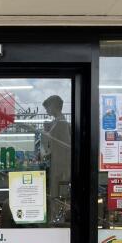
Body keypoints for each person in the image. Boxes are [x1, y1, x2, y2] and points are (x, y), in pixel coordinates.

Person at [41, 95, 71, 224]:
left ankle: (57, 219)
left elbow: (66, 146)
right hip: (57, 165)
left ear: (54, 106)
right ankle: (56, 218)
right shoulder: (56, 122)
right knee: (56, 194)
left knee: (57, 195)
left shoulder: (61, 123)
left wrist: (46, 136)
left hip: (60, 167)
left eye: (47, 107)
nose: (47, 110)